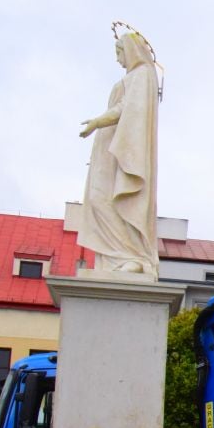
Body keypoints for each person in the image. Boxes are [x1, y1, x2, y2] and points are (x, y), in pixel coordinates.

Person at [78, 28, 160, 277]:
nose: (117, 59)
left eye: (119, 51)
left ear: (132, 50)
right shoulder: (133, 77)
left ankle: (131, 256)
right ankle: (114, 258)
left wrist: (97, 122)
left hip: (122, 150)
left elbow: (127, 108)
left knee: (110, 199)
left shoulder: (143, 74)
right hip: (109, 149)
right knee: (97, 199)